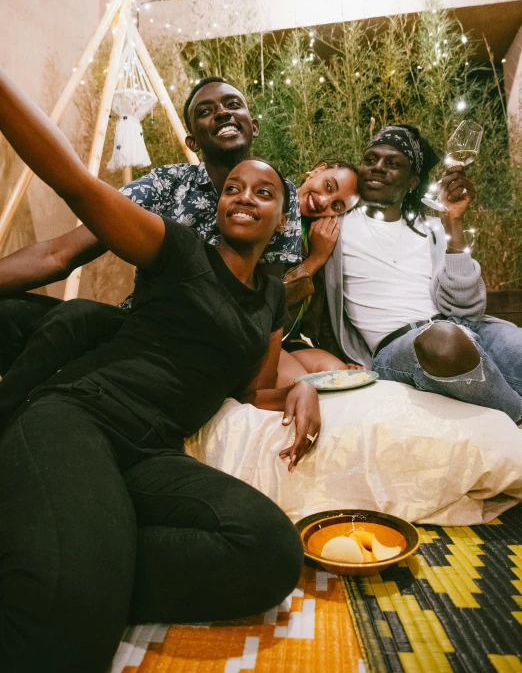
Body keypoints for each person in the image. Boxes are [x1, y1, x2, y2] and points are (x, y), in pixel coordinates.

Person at [0, 68, 318, 673]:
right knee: (64, 644)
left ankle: (73, 557)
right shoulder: (175, 249)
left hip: (152, 452)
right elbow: (75, 183)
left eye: (264, 192)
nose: (244, 196)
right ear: (217, 200)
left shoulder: (272, 301)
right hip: (79, 417)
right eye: (234, 190)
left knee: (271, 552)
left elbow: (251, 391)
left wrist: (300, 387)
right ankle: (71, 567)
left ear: (283, 222)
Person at [0, 76, 301, 375]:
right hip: (135, 327)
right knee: (22, 315)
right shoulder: (166, 183)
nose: (222, 113)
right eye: (205, 111)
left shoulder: (281, 198)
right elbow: (59, 253)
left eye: (233, 105)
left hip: (206, 350)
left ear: (254, 125)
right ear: (192, 141)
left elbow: (264, 307)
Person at [324, 124, 522, 423]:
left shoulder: (430, 228)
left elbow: (468, 307)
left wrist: (453, 220)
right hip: (401, 347)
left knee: (515, 345)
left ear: (413, 181)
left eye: (393, 164)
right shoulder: (334, 225)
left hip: (461, 327)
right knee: (442, 340)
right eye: (370, 159)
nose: (377, 168)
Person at [277, 160, 363, 385]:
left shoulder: (321, 233)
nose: (324, 201)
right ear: (317, 170)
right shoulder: (274, 209)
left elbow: (323, 312)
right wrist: (316, 258)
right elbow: (267, 301)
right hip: (260, 336)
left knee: (340, 375)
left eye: (336, 206)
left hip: (290, 340)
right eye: (328, 186)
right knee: (300, 382)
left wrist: (342, 358)